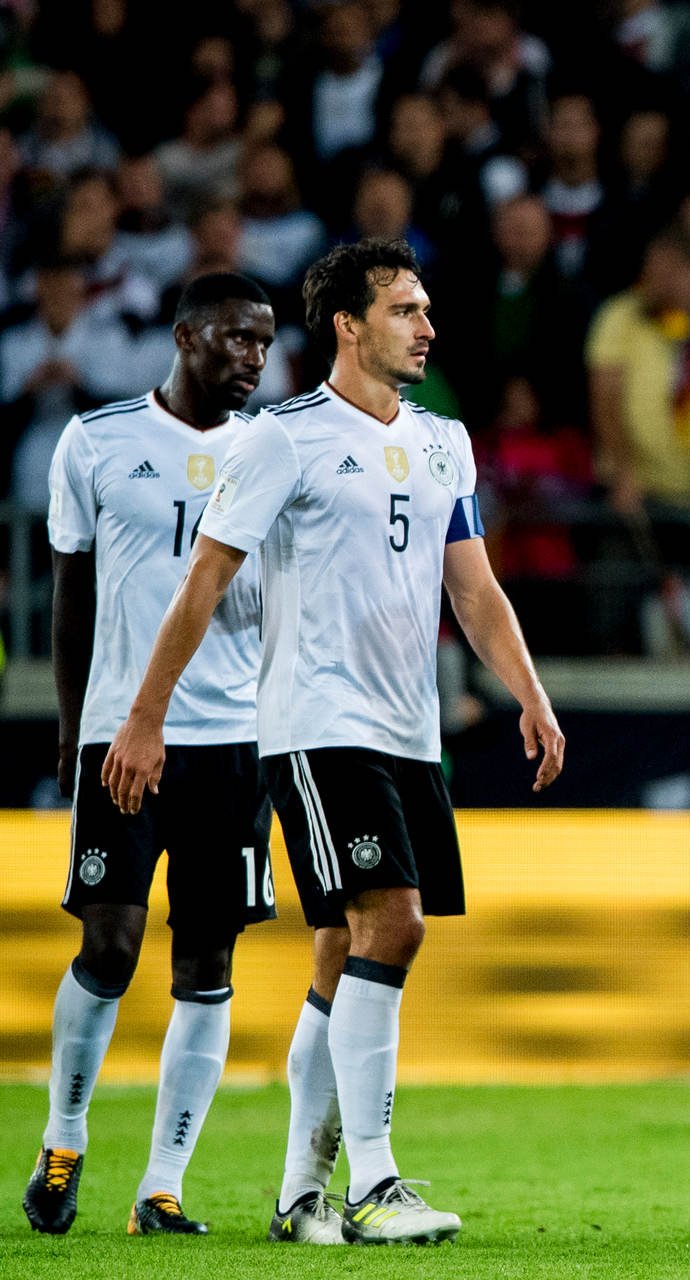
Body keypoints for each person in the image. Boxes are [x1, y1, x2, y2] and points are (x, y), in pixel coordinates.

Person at [100, 238, 565, 1246]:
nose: (427, 326)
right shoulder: (283, 439)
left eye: (428, 308)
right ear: (348, 324)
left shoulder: (445, 440)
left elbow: (472, 585)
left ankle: (302, 1194)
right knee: (393, 924)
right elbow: (206, 580)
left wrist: (528, 691)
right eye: (405, 309)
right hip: (316, 727)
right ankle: (376, 1181)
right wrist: (146, 715)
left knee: (339, 950)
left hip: (409, 731)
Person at [24, 273, 277, 1238]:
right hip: (121, 739)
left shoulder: (272, 450)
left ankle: (162, 1186)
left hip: (235, 743)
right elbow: (69, 594)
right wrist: (72, 724)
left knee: (207, 960)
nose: (253, 357)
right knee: (111, 943)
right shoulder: (95, 442)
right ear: (183, 335)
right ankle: (64, 1138)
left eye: (263, 344)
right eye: (236, 338)